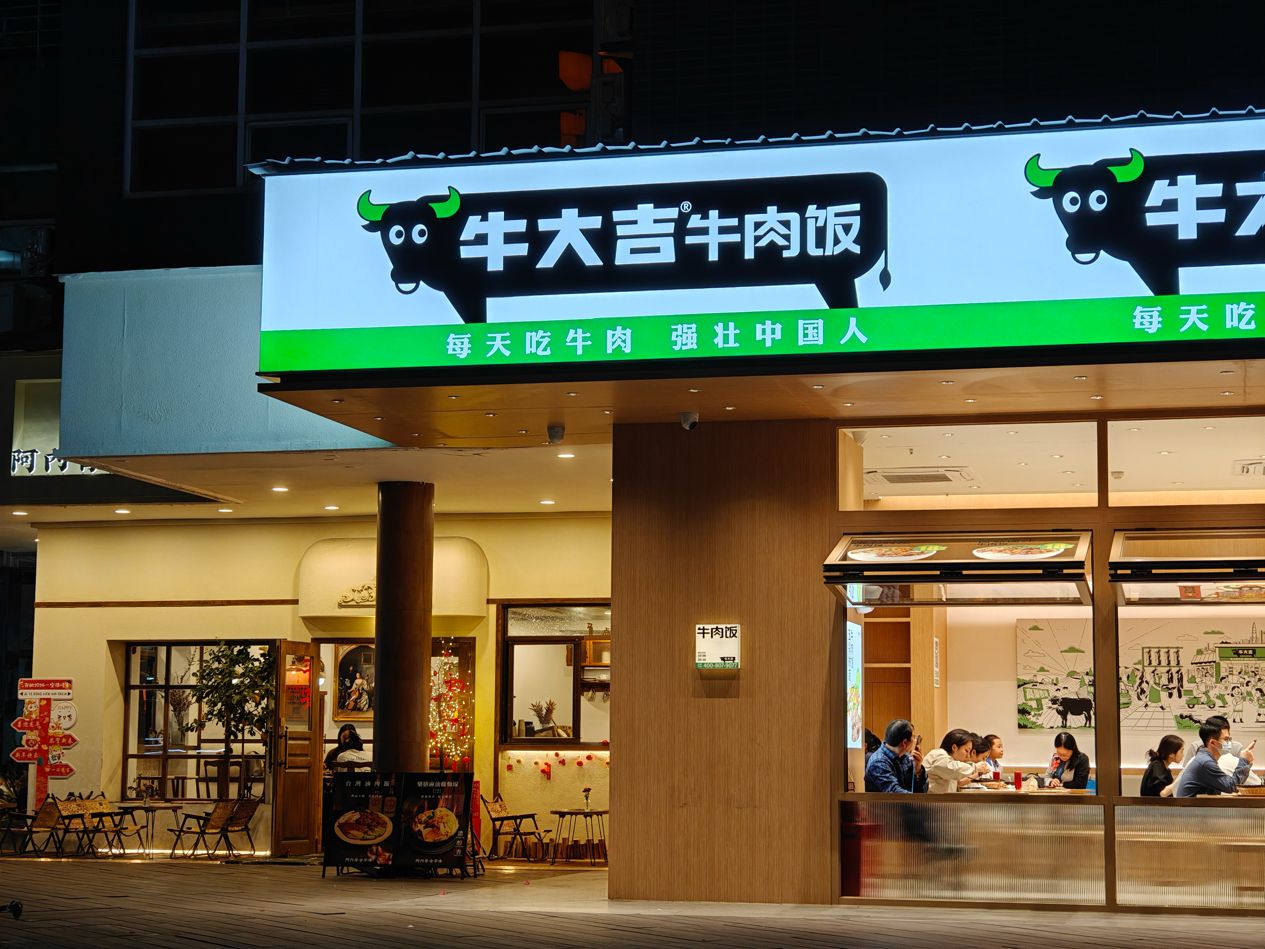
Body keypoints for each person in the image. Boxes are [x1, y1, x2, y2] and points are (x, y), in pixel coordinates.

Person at [1175, 721, 1255, 797]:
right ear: (1213, 742)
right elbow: (1232, 786)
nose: (1229, 743)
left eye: (1230, 739)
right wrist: (1244, 760)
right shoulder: (1205, 762)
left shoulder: (1204, 758)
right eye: (1226, 739)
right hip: (1191, 807)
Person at [864, 719, 927, 793]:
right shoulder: (878, 763)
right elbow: (896, 794)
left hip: (907, 801)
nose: (915, 740)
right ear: (904, 743)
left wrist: (918, 770)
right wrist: (919, 799)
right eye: (913, 737)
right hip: (887, 801)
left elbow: (922, 791)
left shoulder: (906, 757)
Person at [921, 728, 978, 793]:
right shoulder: (938, 754)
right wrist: (975, 767)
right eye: (966, 751)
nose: (968, 756)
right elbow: (954, 769)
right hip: (930, 799)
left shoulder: (951, 760)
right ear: (954, 747)